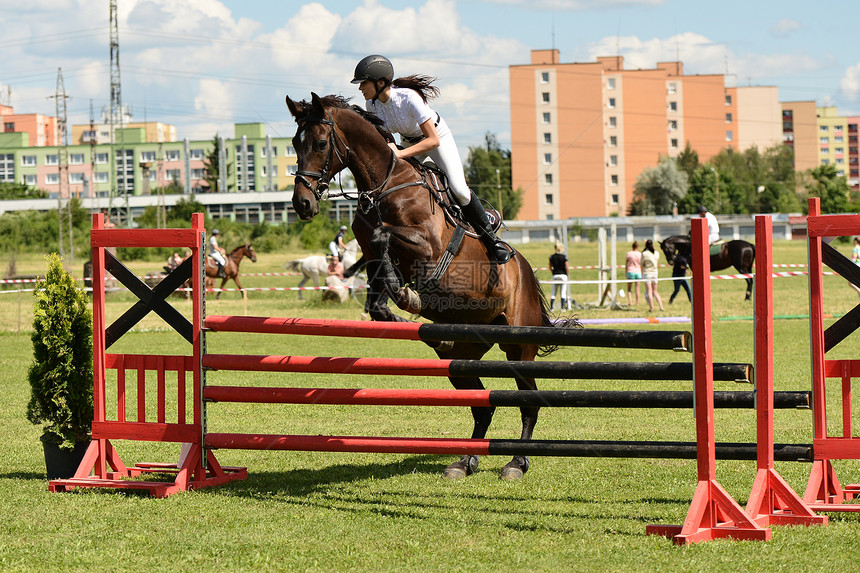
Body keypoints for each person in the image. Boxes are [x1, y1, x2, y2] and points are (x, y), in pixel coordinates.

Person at [351, 54, 512, 264]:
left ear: (380, 83)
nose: (360, 88)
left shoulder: (408, 99)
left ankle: (493, 240)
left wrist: (399, 153)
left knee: (459, 189)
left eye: (363, 82)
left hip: (437, 139)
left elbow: (432, 140)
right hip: (409, 143)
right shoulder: (372, 105)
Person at [641, 239, 664, 312]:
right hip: (655, 273)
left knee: (649, 291)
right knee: (655, 291)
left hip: (647, 273)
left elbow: (642, 263)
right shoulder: (656, 253)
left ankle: (651, 308)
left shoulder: (644, 254)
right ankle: (661, 307)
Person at [548, 242, 569, 311]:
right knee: (563, 292)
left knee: (553, 292)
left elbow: (550, 266)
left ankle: (551, 308)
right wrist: (567, 275)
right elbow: (567, 267)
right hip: (563, 276)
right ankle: (563, 308)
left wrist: (553, 272)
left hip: (555, 275)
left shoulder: (551, 257)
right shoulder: (564, 257)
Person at [625, 241, 642, 306]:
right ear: (637, 247)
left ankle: (630, 301)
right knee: (637, 288)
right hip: (638, 271)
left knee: (629, 288)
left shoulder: (629, 253)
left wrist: (626, 272)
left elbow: (626, 264)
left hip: (630, 271)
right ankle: (637, 302)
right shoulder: (640, 254)